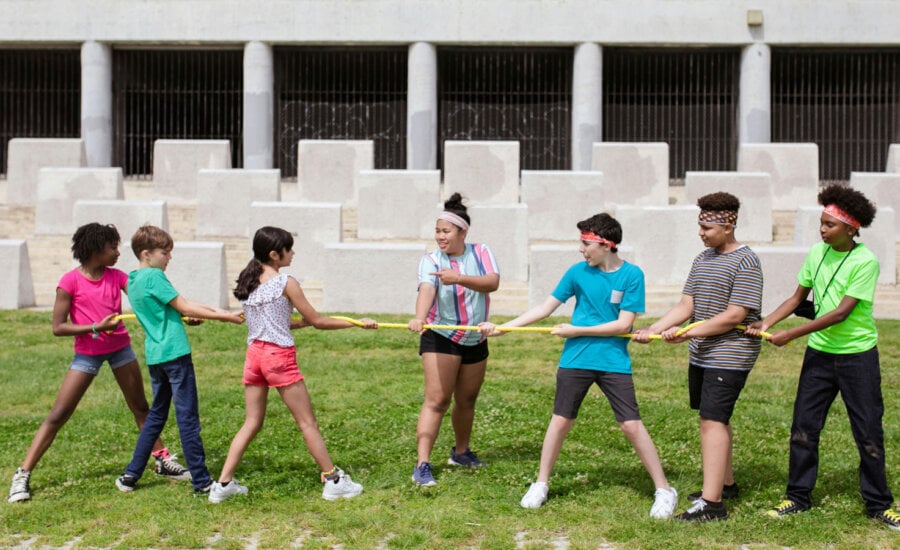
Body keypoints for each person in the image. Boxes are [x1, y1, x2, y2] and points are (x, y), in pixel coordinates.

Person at [479, 213, 678, 518]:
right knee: (561, 420)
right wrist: (503, 328)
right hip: (576, 359)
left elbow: (623, 324)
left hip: (613, 361)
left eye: (585, 243)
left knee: (630, 424)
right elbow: (545, 308)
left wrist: (575, 330)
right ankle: (541, 484)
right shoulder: (577, 272)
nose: (581, 250)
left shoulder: (632, 275)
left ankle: (664, 490)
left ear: (606, 244)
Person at [746, 185, 899, 531]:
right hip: (819, 357)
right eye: (821, 223)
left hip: (857, 357)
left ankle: (879, 504)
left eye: (829, 225)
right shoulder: (817, 252)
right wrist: (768, 321)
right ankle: (797, 497)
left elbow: (840, 313)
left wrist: (790, 335)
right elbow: (797, 296)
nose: (822, 229)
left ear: (851, 228)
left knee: (868, 432)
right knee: (804, 428)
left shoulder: (866, 261)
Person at [7, 223, 190, 504]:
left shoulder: (117, 277)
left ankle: (162, 459)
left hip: (120, 350)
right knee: (59, 414)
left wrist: (185, 316)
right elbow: (58, 327)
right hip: (87, 355)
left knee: (141, 408)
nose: (117, 253)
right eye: (112, 248)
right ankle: (23, 474)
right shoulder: (69, 282)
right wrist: (94, 327)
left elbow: (148, 301)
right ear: (95, 251)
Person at [208, 226, 376, 504]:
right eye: (289, 248)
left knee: (251, 422)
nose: (293, 253)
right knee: (307, 422)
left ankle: (222, 484)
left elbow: (274, 323)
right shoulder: (285, 282)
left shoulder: (250, 280)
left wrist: (299, 324)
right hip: (277, 358)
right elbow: (319, 321)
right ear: (275, 254)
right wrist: (357, 323)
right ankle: (333, 480)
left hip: (254, 357)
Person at [633, 192, 763, 522]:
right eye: (700, 226)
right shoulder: (702, 259)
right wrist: (655, 328)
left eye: (707, 227)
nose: (701, 233)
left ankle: (713, 504)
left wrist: (688, 332)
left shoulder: (746, 261)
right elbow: (685, 306)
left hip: (730, 353)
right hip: (703, 353)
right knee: (714, 419)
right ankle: (726, 484)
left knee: (712, 420)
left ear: (729, 224)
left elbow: (735, 315)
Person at [115, 225, 244, 495]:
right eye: (165, 252)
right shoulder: (154, 276)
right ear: (147, 253)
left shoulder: (135, 279)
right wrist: (227, 317)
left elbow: (179, 306)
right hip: (175, 355)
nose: (169, 258)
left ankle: (130, 475)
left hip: (156, 357)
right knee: (187, 418)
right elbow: (184, 306)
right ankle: (201, 481)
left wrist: (216, 310)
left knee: (156, 417)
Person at [407, 193, 500, 486]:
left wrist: (458, 278)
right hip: (441, 334)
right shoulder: (431, 259)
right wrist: (420, 317)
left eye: (445, 231)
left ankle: (461, 453)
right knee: (437, 400)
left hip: (475, 337)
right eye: (437, 231)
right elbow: (426, 289)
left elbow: (493, 282)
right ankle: (422, 464)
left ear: (463, 232)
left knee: (467, 399)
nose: (440, 237)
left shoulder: (481, 252)